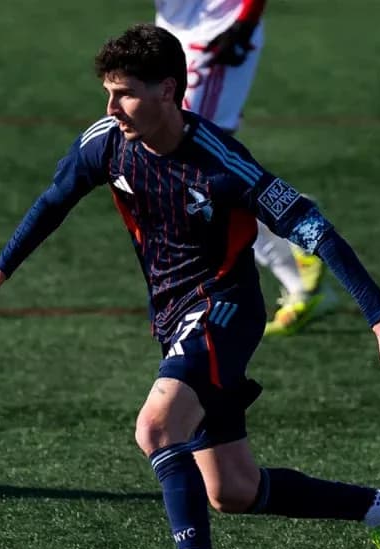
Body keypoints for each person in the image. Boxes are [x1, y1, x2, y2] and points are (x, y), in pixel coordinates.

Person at [0, 24, 380, 549]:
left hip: (225, 309)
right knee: (231, 490)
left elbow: (316, 231)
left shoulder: (224, 161)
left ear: (169, 92)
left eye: (124, 94)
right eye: (108, 92)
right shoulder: (107, 144)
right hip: (172, 315)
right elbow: (53, 201)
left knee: (155, 427)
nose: (110, 107)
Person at [155, 0, 329, 336]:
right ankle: (301, 283)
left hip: (215, 26)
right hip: (177, 21)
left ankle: (295, 221)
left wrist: (247, 19)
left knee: (191, 161)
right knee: (192, 175)